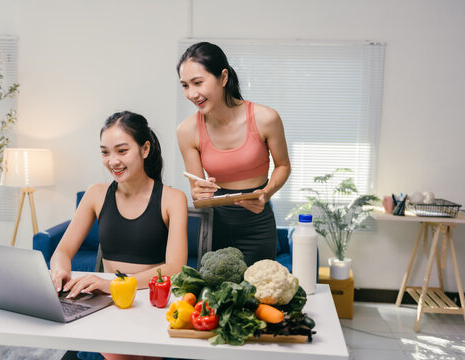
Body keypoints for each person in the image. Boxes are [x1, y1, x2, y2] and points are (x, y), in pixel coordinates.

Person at [51, 111, 187, 360]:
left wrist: (115, 284)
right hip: (107, 305)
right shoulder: (96, 194)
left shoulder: (172, 198)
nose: (112, 161)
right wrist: (60, 270)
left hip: (150, 304)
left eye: (122, 151)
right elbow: (62, 251)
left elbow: (175, 268)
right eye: (105, 152)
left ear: (145, 149)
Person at [176, 42, 291, 266]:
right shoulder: (186, 131)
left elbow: (283, 166)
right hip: (214, 227)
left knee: (259, 297)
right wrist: (199, 193)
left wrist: (266, 193)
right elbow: (197, 192)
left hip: (258, 223)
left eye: (198, 83)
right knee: (217, 298)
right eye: (185, 86)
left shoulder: (266, 118)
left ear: (223, 77)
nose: (192, 94)